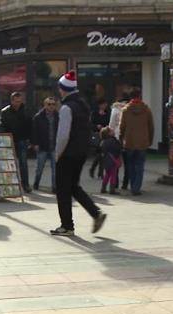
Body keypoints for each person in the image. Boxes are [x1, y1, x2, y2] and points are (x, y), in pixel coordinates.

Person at [50, 71, 106, 237]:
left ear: (63, 89)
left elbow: (63, 135)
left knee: (62, 190)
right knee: (73, 186)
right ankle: (96, 213)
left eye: (60, 88)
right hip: (81, 153)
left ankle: (67, 226)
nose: (59, 92)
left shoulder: (67, 107)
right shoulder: (83, 105)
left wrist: (57, 154)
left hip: (67, 154)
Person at [119, 89, 154, 196]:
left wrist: (121, 139)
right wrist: (150, 140)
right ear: (140, 96)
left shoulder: (125, 110)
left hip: (129, 142)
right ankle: (136, 187)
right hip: (143, 142)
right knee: (139, 165)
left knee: (130, 165)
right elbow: (151, 127)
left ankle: (133, 185)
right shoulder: (147, 110)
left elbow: (122, 127)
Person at [0, 92, 32, 193]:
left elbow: (30, 126)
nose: (18, 103)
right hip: (9, 139)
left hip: (22, 139)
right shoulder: (5, 112)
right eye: (16, 101)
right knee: (9, 163)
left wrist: (30, 140)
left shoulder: (26, 110)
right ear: (12, 101)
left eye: (20, 101)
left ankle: (25, 184)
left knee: (23, 163)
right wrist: (3, 136)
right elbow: (1, 125)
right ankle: (10, 184)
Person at [31, 97, 59, 193]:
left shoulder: (57, 116)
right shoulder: (38, 117)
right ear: (45, 105)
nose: (51, 106)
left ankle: (54, 187)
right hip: (42, 146)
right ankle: (36, 183)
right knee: (39, 168)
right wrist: (35, 144)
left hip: (54, 146)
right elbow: (34, 132)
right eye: (49, 104)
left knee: (55, 169)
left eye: (53, 104)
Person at [108, 93, 131, 191]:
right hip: (127, 138)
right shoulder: (129, 109)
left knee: (115, 162)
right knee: (127, 163)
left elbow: (111, 125)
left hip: (116, 138)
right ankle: (125, 184)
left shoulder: (115, 109)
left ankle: (115, 182)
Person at [88, 98, 111, 179]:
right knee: (101, 154)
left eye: (105, 104)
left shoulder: (108, 113)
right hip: (97, 135)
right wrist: (96, 126)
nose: (105, 106)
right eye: (103, 104)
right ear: (100, 105)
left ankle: (97, 172)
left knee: (102, 154)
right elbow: (90, 124)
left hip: (105, 136)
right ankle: (97, 172)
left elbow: (109, 123)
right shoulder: (94, 113)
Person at [99, 127, 123, 195]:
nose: (113, 131)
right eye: (112, 130)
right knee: (113, 175)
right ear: (109, 133)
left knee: (107, 174)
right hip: (113, 160)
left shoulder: (103, 142)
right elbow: (117, 150)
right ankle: (112, 189)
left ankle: (103, 188)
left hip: (106, 160)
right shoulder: (113, 141)